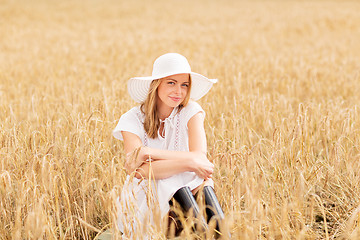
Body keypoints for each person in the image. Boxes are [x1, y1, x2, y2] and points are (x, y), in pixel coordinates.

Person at [112, 53, 225, 238]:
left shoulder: (191, 111)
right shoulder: (131, 119)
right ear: (157, 84)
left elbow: (200, 158)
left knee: (205, 192)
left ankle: (221, 234)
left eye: (184, 85)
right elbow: (137, 171)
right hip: (146, 193)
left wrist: (147, 153)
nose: (178, 92)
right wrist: (189, 162)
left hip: (187, 184)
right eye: (171, 83)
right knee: (177, 183)